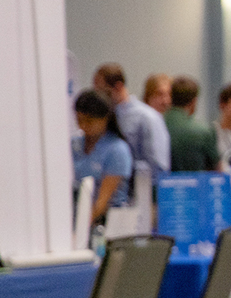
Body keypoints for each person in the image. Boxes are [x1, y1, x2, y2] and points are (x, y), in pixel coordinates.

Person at [93, 63, 171, 180]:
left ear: (118, 87)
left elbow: (158, 165)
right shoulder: (107, 118)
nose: (99, 97)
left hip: (142, 191)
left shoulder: (147, 117)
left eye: (102, 91)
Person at [72, 89, 133, 227]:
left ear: (105, 118)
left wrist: (80, 230)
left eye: (89, 121)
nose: (83, 126)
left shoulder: (117, 149)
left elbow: (102, 202)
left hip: (108, 222)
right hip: (81, 216)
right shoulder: (75, 145)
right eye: (79, 120)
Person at [166, 76, 221, 172]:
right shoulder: (204, 131)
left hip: (162, 185)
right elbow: (217, 168)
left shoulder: (157, 124)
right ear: (194, 101)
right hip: (196, 185)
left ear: (170, 97)